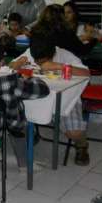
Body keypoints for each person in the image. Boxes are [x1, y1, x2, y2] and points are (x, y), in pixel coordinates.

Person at [9, 37, 91, 165]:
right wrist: (17, 63)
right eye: (36, 60)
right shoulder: (31, 51)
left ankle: (82, 146)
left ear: (53, 54)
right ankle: (32, 133)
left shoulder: (64, 55)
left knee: (74, 133)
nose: (38, 63)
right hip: (36, 97)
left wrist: (59, 66)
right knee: (15, 114)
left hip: (65, 97)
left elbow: (86, 73)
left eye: (42, 62)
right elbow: (11, 66)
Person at [31, 4, 97, 57]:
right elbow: (82, 51)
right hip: (60, 66)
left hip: (37, 65)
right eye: (65, 14)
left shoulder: (36, 30)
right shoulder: (65, 32)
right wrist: (94, 40)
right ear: (61, 16)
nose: (66, 16)